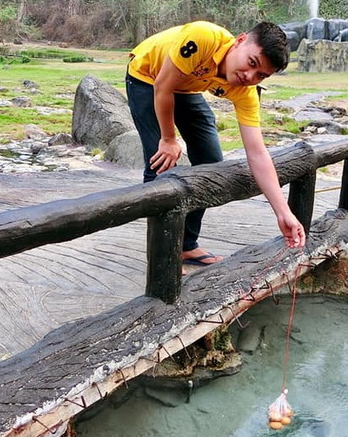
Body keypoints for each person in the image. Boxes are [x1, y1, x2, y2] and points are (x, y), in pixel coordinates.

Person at [126, 20, 306, 267]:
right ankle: (161, 260)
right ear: (240, 40)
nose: (249, 76)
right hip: (147, 76)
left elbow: (257, 153)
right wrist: (168, 139)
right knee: (160, 164)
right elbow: (163, 86)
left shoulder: (246, 91)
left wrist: (283, 212)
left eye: (261, 75)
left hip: (185, 87)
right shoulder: (203, 38)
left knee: (211, 164)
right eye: (251, 63)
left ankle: (185, 245)